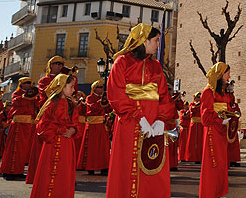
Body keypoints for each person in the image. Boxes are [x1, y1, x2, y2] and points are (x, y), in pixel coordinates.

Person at [105, 23, 175, 198]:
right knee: (128, 168)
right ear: (144, 40)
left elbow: (163, 96)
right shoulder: (121, 63)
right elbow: (116, 94)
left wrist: (161, 119)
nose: (158, 44)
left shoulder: (157, 66)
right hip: (130, 124)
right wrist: (138, 117)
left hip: (154, 125)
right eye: (156, 40)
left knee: (154, 168)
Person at [29, 72, 78, 198]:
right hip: (52, 143)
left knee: (63, 173)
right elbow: (43, 126)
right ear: (62, 86)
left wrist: (73, 130)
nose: (73, 90)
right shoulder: (51, 104)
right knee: (49, 172)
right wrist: (60, 130)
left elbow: (76, 123)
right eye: (71, 87)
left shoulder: (72, 105)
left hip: (67, 145)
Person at [26, 55, 66, 184]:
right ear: (51, 66)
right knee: (45, 145)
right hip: (48, 116)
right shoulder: (44, 80)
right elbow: (48, 94)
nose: (60, 66)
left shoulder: (66, 79)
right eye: (57, 63)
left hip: (61, 115)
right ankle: (41, 174)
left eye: (61, 64)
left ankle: (59, 174)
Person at [198, 62, 232, 198]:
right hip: (213, 130)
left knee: (221, 164)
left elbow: (226, 108)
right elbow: (205, 117)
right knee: (212, 164)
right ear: (220, 74)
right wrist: (219, 119)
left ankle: (217, 192)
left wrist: (230, 117)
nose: (229, 76)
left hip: (222, 130)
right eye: (227, 73)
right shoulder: (208, 91)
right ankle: (209, 193)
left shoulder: (223, 91)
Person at [0, 77, 38, 180]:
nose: (28, 85)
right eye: (26, 83)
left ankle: (18, 170)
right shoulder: (17, 94)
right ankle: (9, 171)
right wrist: (27, 96)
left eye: (29, 83)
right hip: (18, 125)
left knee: (22, 149)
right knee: (14, 148)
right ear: (21, 84)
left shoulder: (33, 95)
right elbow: (17, 102)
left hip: (27, 125)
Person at [77, 79, 111, 175]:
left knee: (103, 147)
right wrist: (102, 101)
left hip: (101, 125)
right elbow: (93, 107)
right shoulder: (90, 98)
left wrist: (108, 102)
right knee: (92, 147)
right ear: (94, 89)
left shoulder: (103, 98)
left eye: (101, 87)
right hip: (92, 126)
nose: (100, 89)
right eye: (98, 87)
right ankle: (90, 167)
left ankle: (104, 167)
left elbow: (108, 108)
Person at [167, 90, 185, 171]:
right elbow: (169, 102)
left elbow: (180, 107)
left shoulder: (173, 99)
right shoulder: (164, 99)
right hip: (166, 124)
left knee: (173, 145)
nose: (171, 92)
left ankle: (173, 164)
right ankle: (167, 164)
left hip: (173, 124)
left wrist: (179, 99)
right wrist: (176, 96)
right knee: (168, 145)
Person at [226, 81, 241, 167]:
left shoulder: (234, 104)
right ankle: (229, 159)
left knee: (234, 143)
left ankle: (233, 159)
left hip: (233, 125)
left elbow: (239, 112)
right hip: (228, 123)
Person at [185, 92, 203, 163]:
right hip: (193, 125)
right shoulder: (192, 104)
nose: (199, 98)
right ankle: (191, 157)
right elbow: (192, 110)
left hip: (200, 125)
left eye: (200, 97)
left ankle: (200, 157)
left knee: (200, 141)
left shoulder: (202, 104)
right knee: (192, 141)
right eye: (198, 97)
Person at [73, 91, 87, 162]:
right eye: (77, 95)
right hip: (76, 125)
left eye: (80, 95)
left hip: (83, 125)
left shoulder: (83, 105)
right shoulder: (73, 104)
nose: (79, 96)